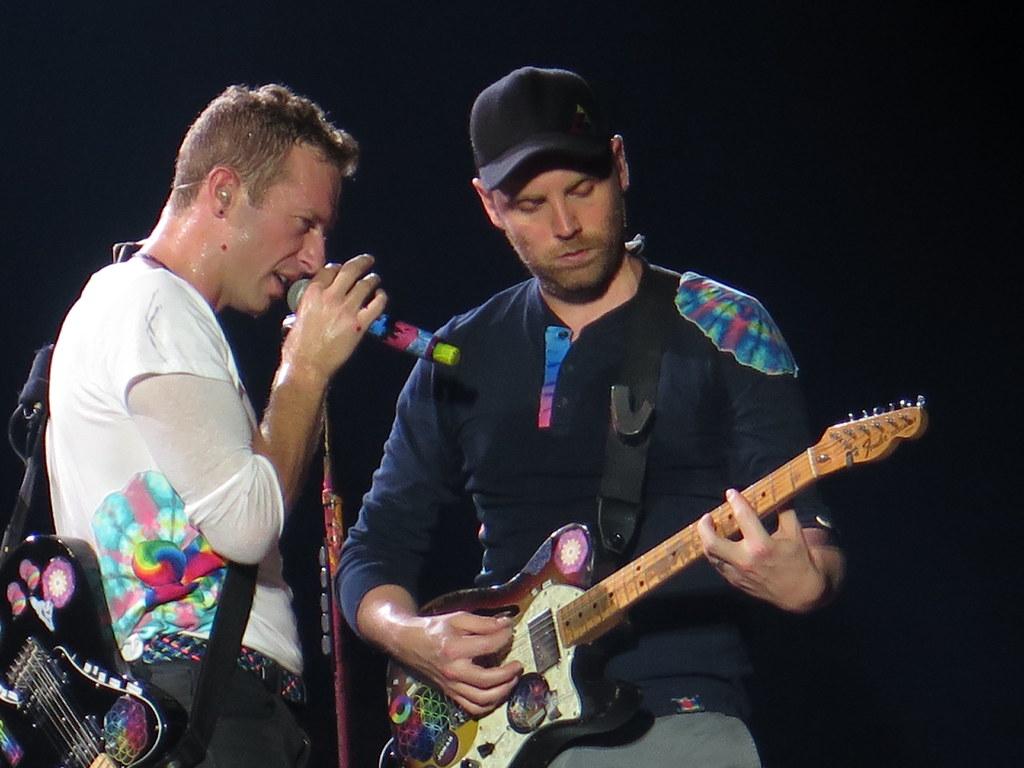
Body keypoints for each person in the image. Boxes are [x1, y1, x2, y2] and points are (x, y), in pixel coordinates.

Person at [338, 66, 844, 768]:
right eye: (530, 204)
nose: (566, 225)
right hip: (500, 734)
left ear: (620, 164)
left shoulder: (726, 327)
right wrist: (411, 635)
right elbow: (373, 550)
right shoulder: (460, 354)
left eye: (583, 189)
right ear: (488, 205)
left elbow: (812, 540)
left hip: (675, 720)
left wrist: (808, 581)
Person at [45, 83, 386, 767]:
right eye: (303, 224)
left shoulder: (128, 300)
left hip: (188, 702)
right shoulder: (155, 303)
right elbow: (247, 521)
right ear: (224, 192)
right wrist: (304, 369)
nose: (316, 258)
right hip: (200, 704)